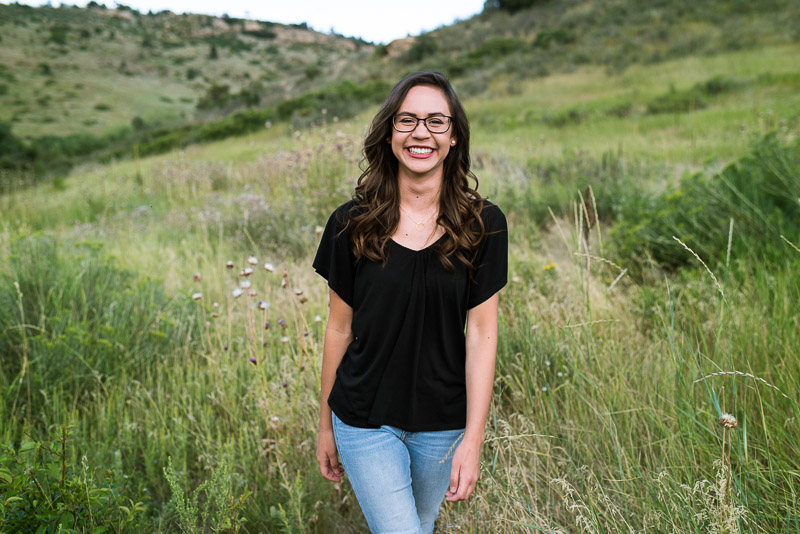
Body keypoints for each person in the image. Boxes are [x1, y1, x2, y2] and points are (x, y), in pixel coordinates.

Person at [313, 71, 508, 533]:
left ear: (454, 136)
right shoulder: (351, 223)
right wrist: (325, 425)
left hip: (442, 424)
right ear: (390, 133)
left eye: (436, 121)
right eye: (407, 120)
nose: (421, 132)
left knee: (418, 525)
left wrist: (473, 440)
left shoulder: (484, 225)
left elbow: (482, 334)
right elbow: (339, 329)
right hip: (363, 419)